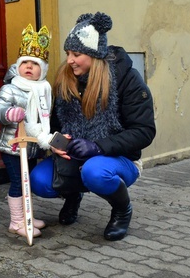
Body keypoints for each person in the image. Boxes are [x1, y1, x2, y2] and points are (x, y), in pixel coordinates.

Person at [30, 12, 156, 241]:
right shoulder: (66, 79)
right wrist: (53, 143)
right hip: (74, 156)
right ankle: (73, 195)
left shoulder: (126, 79)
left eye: (76, 54)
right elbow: (56, 124)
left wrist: (97, 147)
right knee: (39, 181)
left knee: (95, 171)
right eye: (68, 53)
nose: (69, 60)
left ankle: (122, 210)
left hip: (119, 158)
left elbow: (144, 131)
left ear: (94, 55)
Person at [0, 24, 53, 238]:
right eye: (24, 62)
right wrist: (9, 113)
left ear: (42, 70)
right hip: (13, 145)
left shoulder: (44, 89)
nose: (28, 66)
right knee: (19, 181)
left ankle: (28, 215)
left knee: (28, 181)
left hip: (32, 146)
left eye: (34, 64)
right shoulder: (11, 88)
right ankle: (17, 222)